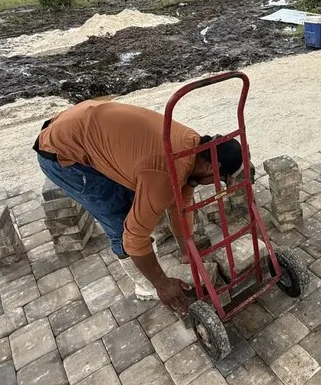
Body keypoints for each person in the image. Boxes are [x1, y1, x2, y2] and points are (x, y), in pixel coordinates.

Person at [33, 100, 244, 316]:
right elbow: (133, 239)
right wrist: (162, 283)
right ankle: (146, 286)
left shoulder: (194, 147)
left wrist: (186, 250)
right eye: (221, 179)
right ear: (211, 167)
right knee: (121, 222)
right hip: (60, 151)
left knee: (144, 197)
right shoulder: (164, 172)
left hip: (84, 125)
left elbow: (182, 204)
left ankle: (151, 259)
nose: (217, 184)